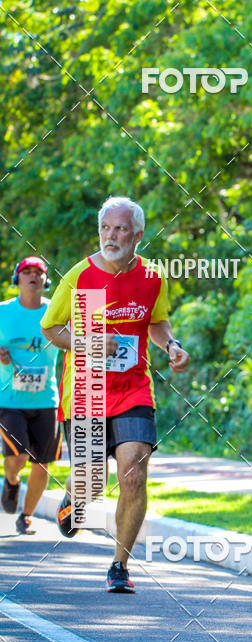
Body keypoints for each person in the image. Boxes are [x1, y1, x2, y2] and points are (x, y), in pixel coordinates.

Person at [41, 196, 189, 593]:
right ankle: (75, 494)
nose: (112, 235)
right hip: (87, 391)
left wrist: (171, 345)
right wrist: (90, 343)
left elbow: (156, 321)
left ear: (138, 235)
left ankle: (119, 565)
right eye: (106, 228)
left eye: (120, 228)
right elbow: (51, 329)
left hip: (133, 388)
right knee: (91, 481)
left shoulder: (153, 277)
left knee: (133, 472)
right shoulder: (80, 277)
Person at [0, 257, 61, 535]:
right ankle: (11, 481)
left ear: (46, 280)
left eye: (39, 272)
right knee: (17, 456)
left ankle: (25, 516)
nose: (33, 276)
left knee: (42, 463)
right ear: (17, 278)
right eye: (27, 272)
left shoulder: (56, 311)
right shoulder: (3, 312)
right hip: (9, 401)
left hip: (46, 401)